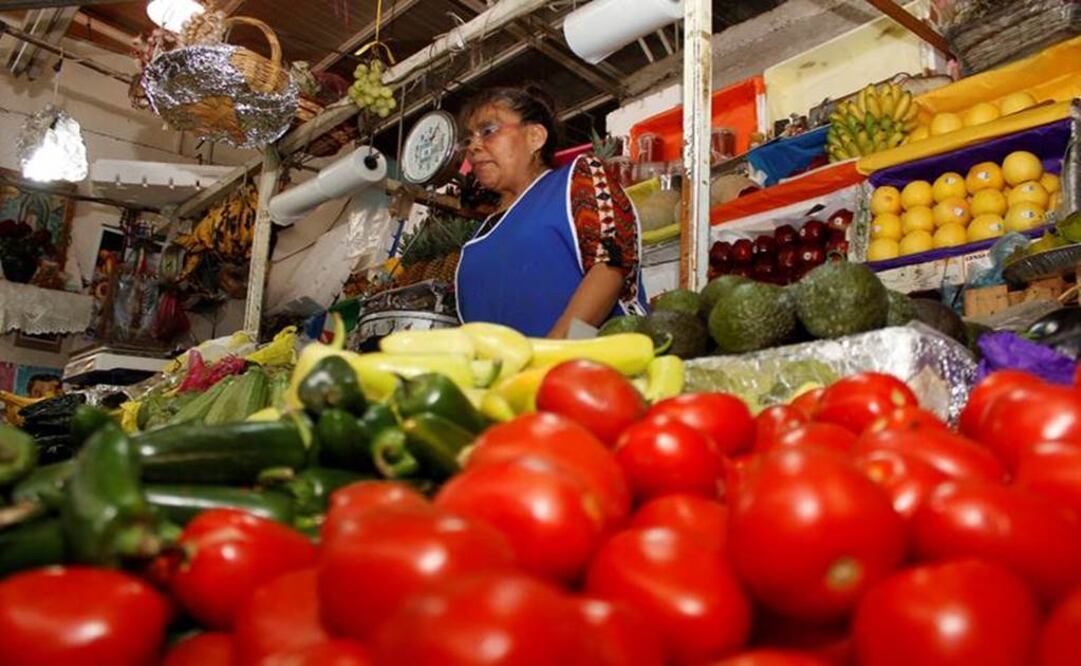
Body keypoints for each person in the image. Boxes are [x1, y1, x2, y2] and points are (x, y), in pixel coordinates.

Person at [455, 86, 648, 338]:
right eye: (469, 139)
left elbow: (610, 272)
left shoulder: (577, 180)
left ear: (535, 136)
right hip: (516, 377)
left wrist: (558, 352)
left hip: (595, 368)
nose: (474, 146)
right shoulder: (477, 239)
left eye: (488, 131)